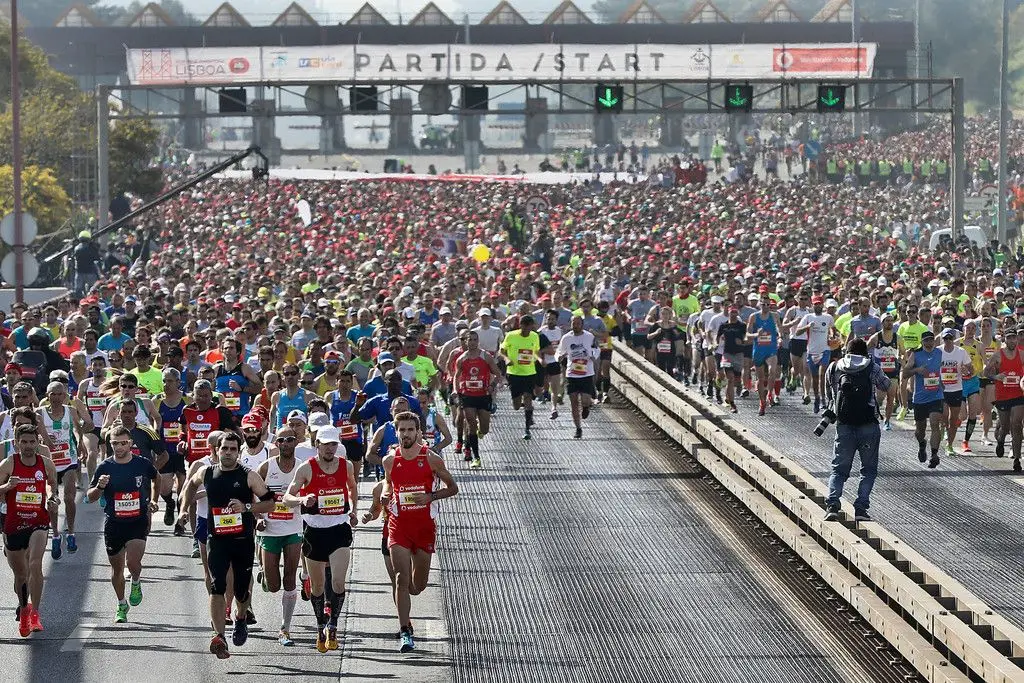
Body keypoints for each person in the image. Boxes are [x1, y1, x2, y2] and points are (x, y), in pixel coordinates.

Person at [178, 432, 275, 658]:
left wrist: (247, 507)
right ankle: (219, 636)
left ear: (238, 451)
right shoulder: (207, 472)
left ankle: (240, 617)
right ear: (217, 450)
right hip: (217, 540)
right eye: (224, 448)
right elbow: (190, 486)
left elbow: (270, 503)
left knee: (241, 590)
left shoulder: (249, 476)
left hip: (242, 541)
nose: (228, 453)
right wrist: (183, 510)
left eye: (233, 449)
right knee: (217, 586)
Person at [382, 411, 459, 652]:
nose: (406, 434)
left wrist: (430, 496)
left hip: (424, 527)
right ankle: (405, 630)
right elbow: (388, 483)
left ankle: (408, 603)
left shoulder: (431, 458)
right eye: (402, 430)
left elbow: (453, 488)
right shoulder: (390, 460)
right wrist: (385, 494)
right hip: (399, 526)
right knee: (400, 579)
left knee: (418, 586)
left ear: (418, 432)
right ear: (396, 432)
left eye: (410, 430)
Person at [282, 425, 359, 654]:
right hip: (314, 531)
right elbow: (287, 497)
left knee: (338, 582)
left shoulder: (346, 466)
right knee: (317, 587)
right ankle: (319, 627)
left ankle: (333, 625)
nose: (330, 448)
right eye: (325, 444)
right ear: (317, 444)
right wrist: (302, 499)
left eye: (333, 444)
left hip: (339, 529)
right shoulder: (306, 468)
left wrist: (354, 511)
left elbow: (352, 488)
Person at [87, 425, 161, 623]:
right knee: (117, 569)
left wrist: (154, 500)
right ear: (110, 444)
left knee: (133, 563)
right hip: (114, 523)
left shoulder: (142, 463)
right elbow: (90, 497)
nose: (119, 447)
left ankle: (135, 581)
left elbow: (157, 478)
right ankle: (121, 604)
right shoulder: (105, 467)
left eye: (123, 443)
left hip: (137, 521)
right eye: (115, 444)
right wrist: (100, 487)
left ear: (130, 443)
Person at [822, 338, 890, 522]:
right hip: (868, 425)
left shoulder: (834, 367)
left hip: (844, 424)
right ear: (865, 353)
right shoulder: (872, 367)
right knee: (868, 470)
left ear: (847, 351)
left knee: (838, 469)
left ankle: (832, 505)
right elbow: (886, 385)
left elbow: (829, 395)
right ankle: (860, 508)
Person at [0, 425, 58, 637]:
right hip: (14, 524)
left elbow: (52, 485)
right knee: (21, 575)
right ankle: (24, 609)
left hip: (38, 521)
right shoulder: (9, 463)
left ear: (38, 442)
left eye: (32, 442)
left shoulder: (46, 463)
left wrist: (52, 498)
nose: (28, 446)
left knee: (35, 563)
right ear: (17, 443)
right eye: (24, 442)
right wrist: (7, 487)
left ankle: (35, 613)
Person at [255, 425, 304, 647]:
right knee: (273, 585)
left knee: (290, 579)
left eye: (290, 439)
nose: (285, 444)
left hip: (293, 529)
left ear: (296, 442)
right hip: (270, 529)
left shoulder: (302, 467)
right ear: (276, 444)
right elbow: (253, 494)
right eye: (281, 440)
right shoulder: (266, 467)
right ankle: (265, 573)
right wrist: (258, 517)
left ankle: (285, 628)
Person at [38, 380, 88, 559]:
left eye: (60, 394)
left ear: (65, 396)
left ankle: (71, 532)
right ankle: (56, 535)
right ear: (47, 395)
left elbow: (77, 430)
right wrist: (45, 441)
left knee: (68, 497)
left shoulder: (71, 411)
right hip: (49, 462)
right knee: (52, 499)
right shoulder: (39, 413)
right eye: (53, 394)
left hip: (68, 460)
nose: (57, 397)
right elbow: (35, 433)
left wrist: (80, 442)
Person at [453, 329, 499, 467]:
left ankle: (481, 431)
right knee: (471, 423)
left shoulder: (486, 356)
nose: (472, 342)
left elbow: (498, 374)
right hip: (468, 395)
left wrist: (492, 386)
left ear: (478, 341)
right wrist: (455, 390)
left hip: (483, 396)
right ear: (466, 341)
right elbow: (456, 376)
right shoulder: (461, 359)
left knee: (484, 429)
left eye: (474, 340)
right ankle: (476, 457)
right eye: (470, 340)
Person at [984, 327, 1024, 470]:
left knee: (1017, 425)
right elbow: (985, 372)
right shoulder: (997, 355)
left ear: (1017, 339)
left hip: (1018, 395)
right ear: (1004, 340)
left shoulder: (1022, 354)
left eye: (1014, 337)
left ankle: (1017, 459)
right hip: (1003, 396)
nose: (1012, 341)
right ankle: (1001, 440)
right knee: (1005, 427)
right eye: (1009, 338)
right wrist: (996, 377)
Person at [902, 330, 944, 468]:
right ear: (922, 342)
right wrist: (916, 370)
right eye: (926, 340)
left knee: (935, 423)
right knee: (920, 431)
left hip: (936, 395)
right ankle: (922, 444)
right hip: (920, 398)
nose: (929, 342)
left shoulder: (939, 353)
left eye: (931, 340)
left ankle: (934, 454)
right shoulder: (916, 354)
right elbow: (905, 374)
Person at [556, 315, 599, 439]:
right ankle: (578, 428)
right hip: (572, 373)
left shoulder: (589, 336)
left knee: (585, 400)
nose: (575, 326)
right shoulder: (566, 338)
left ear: (582, 324)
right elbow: (559, 351)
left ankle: (586, 407)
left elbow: (596, 349)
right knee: (574, 402)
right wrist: (559, 357)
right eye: (573, 323)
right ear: (571, 324)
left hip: (586, 373)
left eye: (578, 323)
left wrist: (593, 355)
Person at [500, 313, 540, 440]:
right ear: (520, 325)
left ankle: (527, 428)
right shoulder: (511, 336)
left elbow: (536, 351)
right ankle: (524, 404)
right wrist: (506, 359)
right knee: (516, 406)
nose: (527, 330)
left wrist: (539, 359)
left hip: (529, 373)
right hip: (514, 373)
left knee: (528, 397)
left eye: (530, 327)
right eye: (525, 327)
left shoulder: (535, 336)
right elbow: (501, 351)